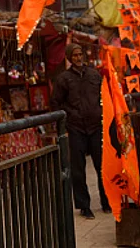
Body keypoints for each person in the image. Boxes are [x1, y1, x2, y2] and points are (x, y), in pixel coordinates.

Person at [51, 43, 110, 219]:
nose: (78, 58)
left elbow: (103, 95)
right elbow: (56, 102)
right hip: (76, 128)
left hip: (95, 126)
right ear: (69, 57)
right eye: (74, 55)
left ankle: (107, 201)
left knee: (102, 167)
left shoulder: (93, 75)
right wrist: (69, 118)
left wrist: (102, 114)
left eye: (80, 54)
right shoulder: (63, 79)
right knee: (78, 169)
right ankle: (84, 206)